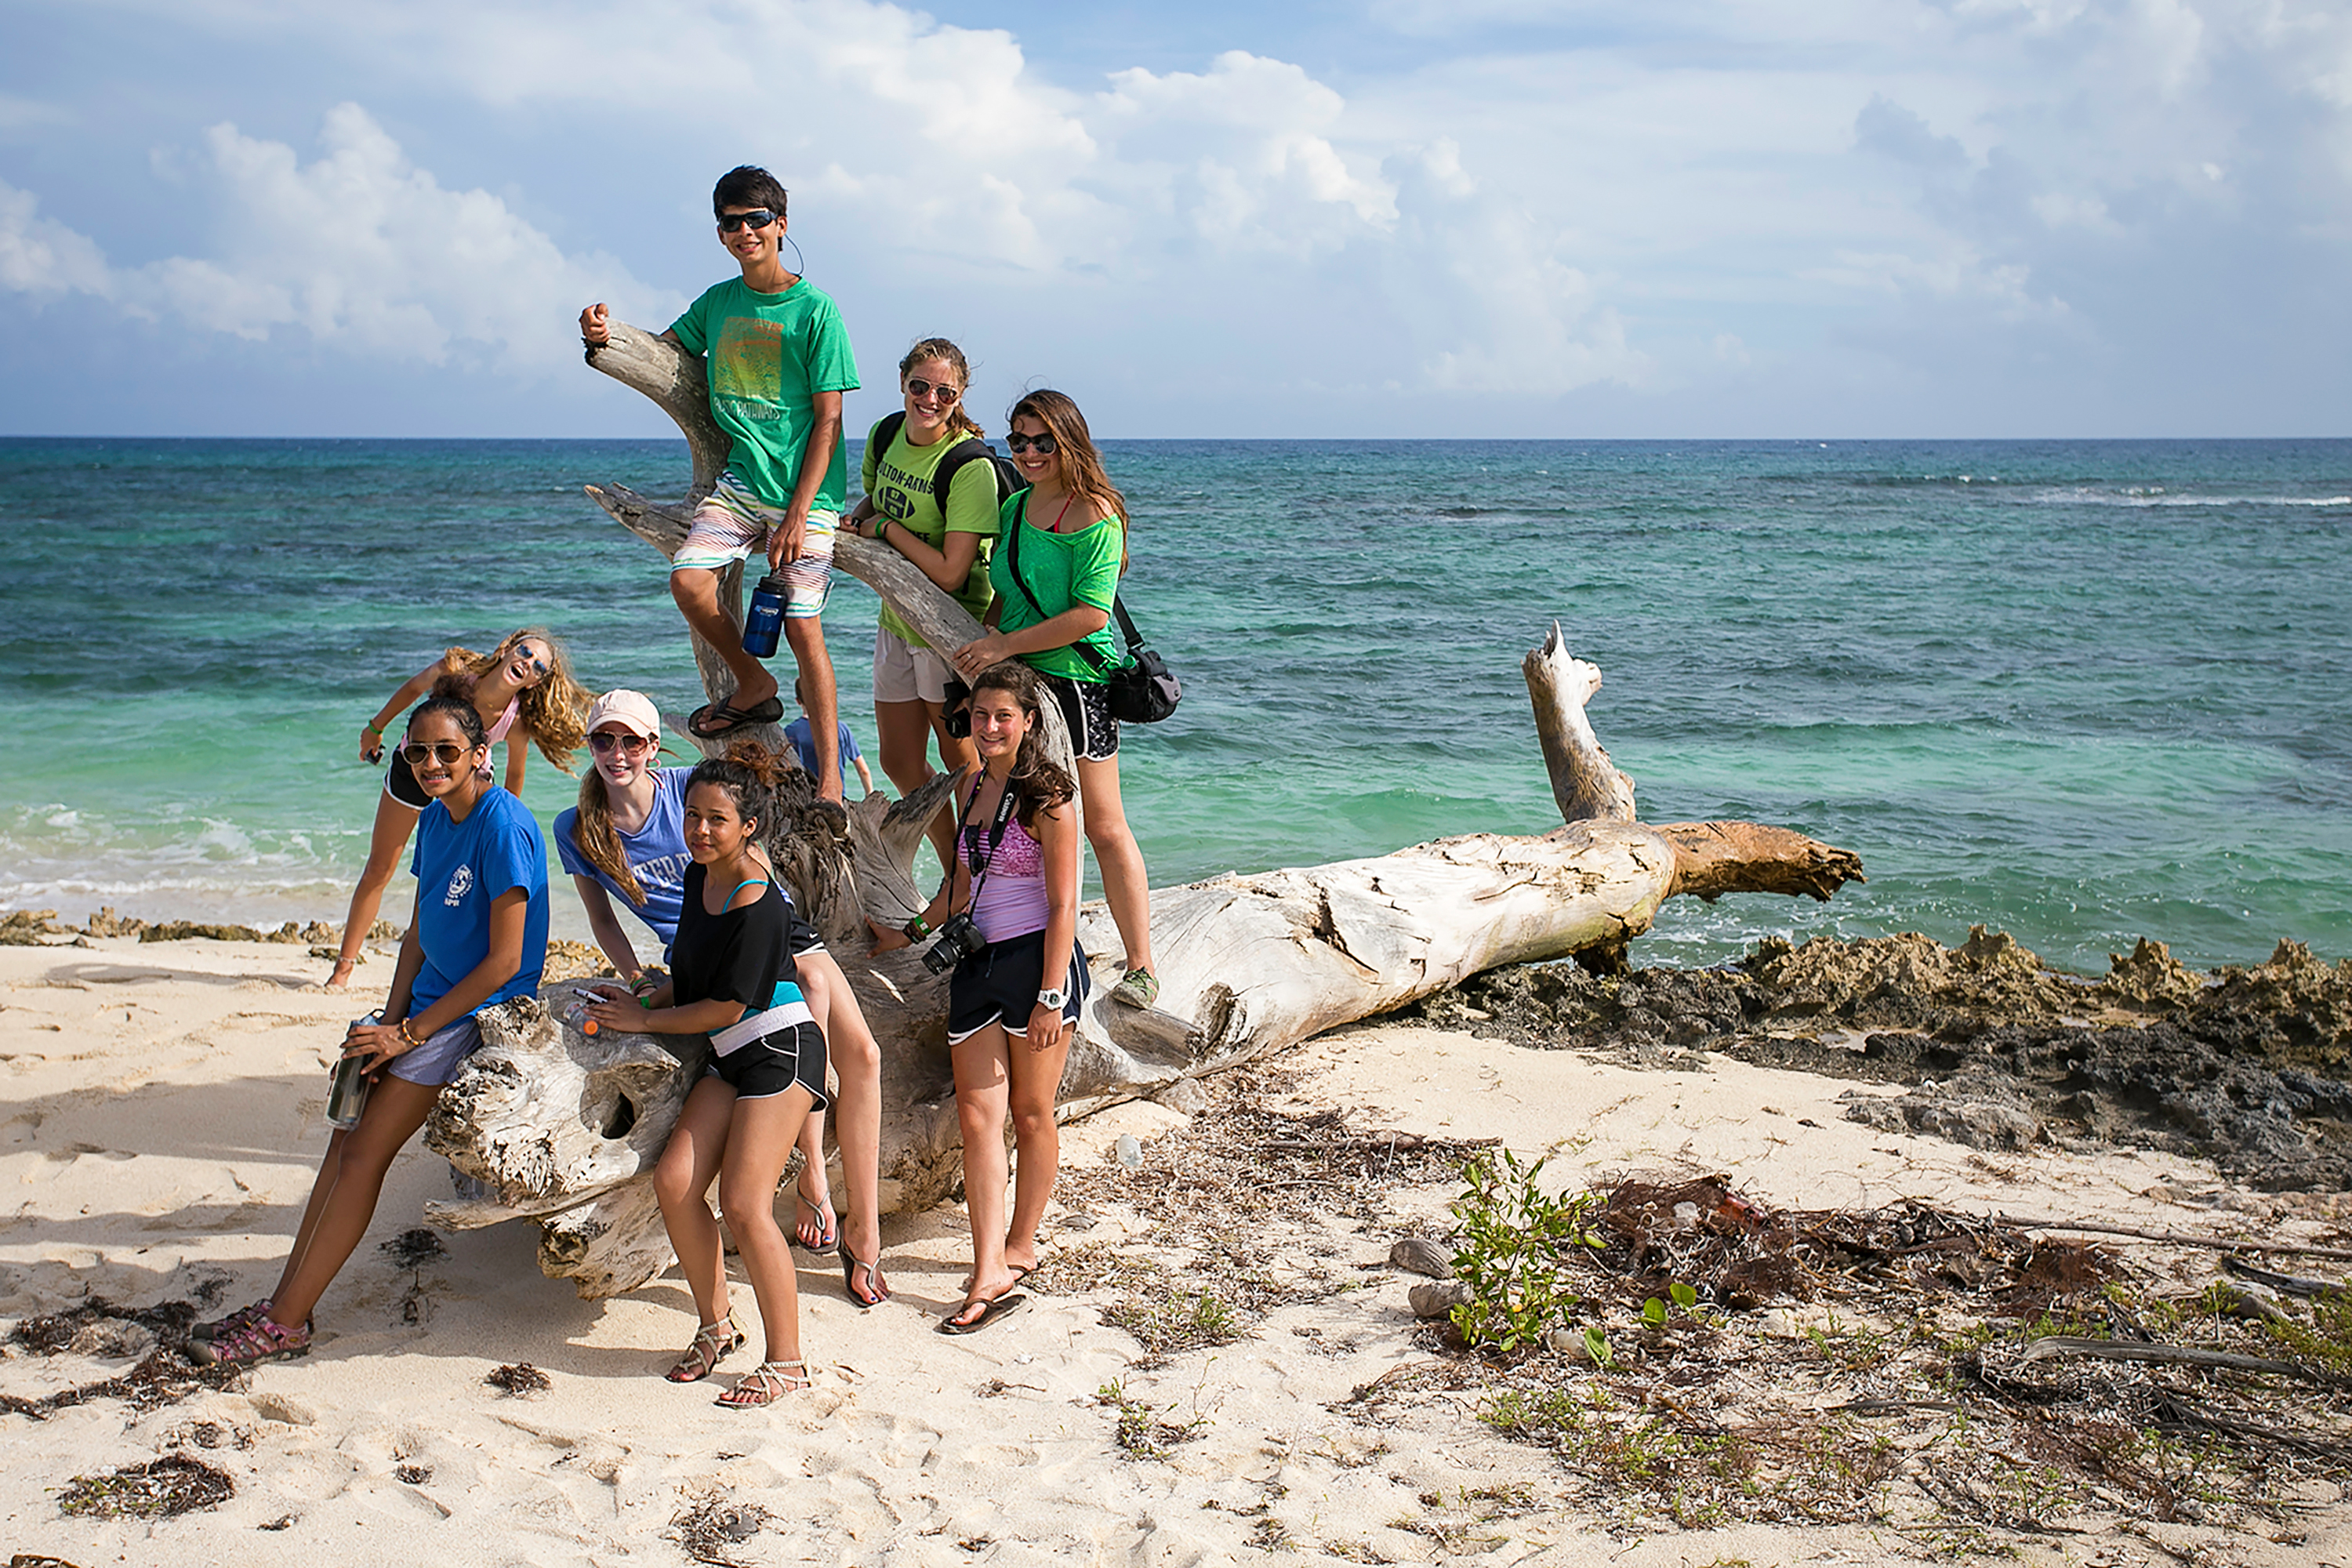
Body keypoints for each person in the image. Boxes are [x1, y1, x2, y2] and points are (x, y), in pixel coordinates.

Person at [196, 695, 550, 1367]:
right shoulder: (436, 821)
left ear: (482, 755)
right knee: (341, 1140)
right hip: (423, 1006)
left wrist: (412, 1035)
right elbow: (418, 931)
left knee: (362, 1158)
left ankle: (289, 1324)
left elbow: (507, 962)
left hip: (475, 1014)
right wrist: (385, 1022)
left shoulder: (503, 824)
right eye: (417, 752)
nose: (431, 763)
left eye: (447, 750)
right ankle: (280, 1303)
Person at [556, 691, 891, 1308]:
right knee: (808, 1007)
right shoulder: (579, 827)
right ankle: (813, 1176)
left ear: (654, 747)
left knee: (862, 1053)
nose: (617, 753)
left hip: (768, 928)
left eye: (632, 741)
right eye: (604, 740)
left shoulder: (687, 788)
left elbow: (751, 855)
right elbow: (603, 921)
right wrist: (638, 985)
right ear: (590, 745)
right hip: (700, 954)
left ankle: (848, 1211)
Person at [578, 165, 859, 797]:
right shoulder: (718, 302)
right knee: (688, 581)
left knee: (803, 624)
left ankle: (832, 777)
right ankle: (753, 683)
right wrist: (605, 335)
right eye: (731, 223)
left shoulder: (816, 310)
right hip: (739, 486)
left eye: (756, 220)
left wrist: (797, 513)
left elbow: (830, 419)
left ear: (781, 225)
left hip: (805, 494)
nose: (744, 232)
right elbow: (664, 348)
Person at [580, 745, 829, 1405]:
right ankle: (717, 1326)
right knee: (676, 1182)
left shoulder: (760, 902)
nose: (699, 830)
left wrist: (644, 1023)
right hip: (731, 1054)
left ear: (748, 827)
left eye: (716, 819)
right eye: (691, 816)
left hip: (781, 1049)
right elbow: (691, 979)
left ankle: (789, 1362)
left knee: (746, 1206)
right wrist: (642, 999)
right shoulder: (698, 878)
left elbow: (727, 1003)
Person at [869, 662, 1083, 1334]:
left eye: (1002, 717)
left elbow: (1065, 900)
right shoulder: (973, 785)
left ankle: (1020, 1245)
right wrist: (906, 933)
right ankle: (988, 1259)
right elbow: (962, 886)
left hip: (1037, 964)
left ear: (1027, 722)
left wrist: (1052, 994)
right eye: (980, 716)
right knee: (975, 1115)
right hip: (979, 965)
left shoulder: (1049, 794)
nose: (988, 728)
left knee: (1030, 1113)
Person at [949, 390, 1158, 1009]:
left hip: (1075, 684)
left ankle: (1142, 963)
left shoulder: (1097, 513)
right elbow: (1003, 593)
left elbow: (1091, 614)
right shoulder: (1013, 507)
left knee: (1102, 822)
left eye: (1043, 440)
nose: (1031, 452)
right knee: (1019, 816)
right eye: (1018, 441)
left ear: (1070, 440)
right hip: (1015, 685)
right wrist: (990, 643)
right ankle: (1033, 941)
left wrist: (1002, 644)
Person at [326, 630, 586, 989]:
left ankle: (463, 964)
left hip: (467, 781)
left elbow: (514, 778)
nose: (527, 663)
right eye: (525, 652)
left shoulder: (515, 720)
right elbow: (413, 689)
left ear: (534, 682)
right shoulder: (455, 670)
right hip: (414, 767)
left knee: (469, 879)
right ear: (508, 649)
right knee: (379, 868)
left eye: (537, 666)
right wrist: (374, 728)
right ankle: (343, 969)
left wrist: (503, 829)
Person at [840, 337, 999, 873]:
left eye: (945, 392)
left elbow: (953, 571)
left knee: (963, 764)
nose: (930, 399)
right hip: (896, 618)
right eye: (920, 386)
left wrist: (884, 529)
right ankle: (955, 865)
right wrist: (859, 519)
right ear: (903, 382)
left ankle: (977, 876)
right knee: (899, 760)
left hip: (948, 631)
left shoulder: (969, 465)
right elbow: (875, 498)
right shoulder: (886, 433)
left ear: (960, 396)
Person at [782, 675, 874, 797]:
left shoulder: (790, 732)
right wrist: (869, 794)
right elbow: (863, 770)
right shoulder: (840, 729)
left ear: (798, 701)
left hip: (804, 798)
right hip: (836, 798)